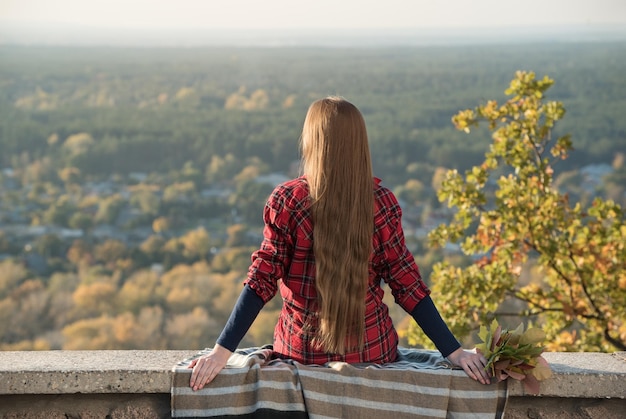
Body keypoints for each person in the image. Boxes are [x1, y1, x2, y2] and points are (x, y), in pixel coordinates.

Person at [190, 96, 491, 391]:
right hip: (373, 353)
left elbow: (262, 280)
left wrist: (221, 351)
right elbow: (407, 284)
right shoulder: (380, 204)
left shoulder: (288, 201)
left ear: (313, 142)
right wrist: (453, 351)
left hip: (301, 355)